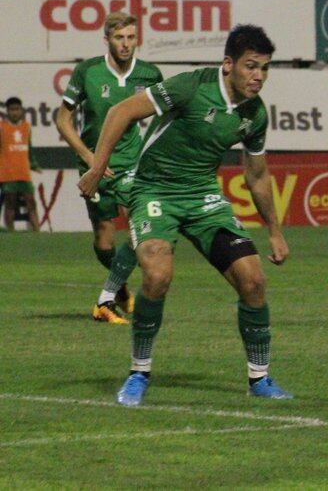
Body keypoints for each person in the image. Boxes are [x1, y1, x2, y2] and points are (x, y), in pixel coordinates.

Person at [78, 24, 292, 406]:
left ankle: (259, 378)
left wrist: (274, 231)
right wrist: (97, 167)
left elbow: (257, 174)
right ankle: (139, 373)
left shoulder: (254, 114)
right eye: (251, 66)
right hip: (154, 191)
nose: (258, 76)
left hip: (203, 197)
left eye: (264, 68)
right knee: (158, 275)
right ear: (229, 64)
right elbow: (121, 110)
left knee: (254, 281)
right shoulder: (191, 86)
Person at [56, 12, 164, 324]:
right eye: (119, 38)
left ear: (137, 39)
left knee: (140, 225)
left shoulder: (149, 74)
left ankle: (106, 299)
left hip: (131, 162)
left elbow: (166, 114)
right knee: (104, 242)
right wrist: (90, 158)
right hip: (93, 166)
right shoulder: (88, 71)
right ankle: (120, 290)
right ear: (107, 40)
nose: (126, 44)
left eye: (131, 37)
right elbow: (63, 120)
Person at [0, 97, 41, 231]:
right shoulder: (2, 127)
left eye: (17, 109)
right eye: (12, 110)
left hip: (24, 172)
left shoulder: (26, 127)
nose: (15, 112)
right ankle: (11, 233)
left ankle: (37, 231)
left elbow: (29, 149)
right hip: (8, 173)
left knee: (31, 202)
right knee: (10, 203)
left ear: (21, 110)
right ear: (7, 111)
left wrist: (33, 164)